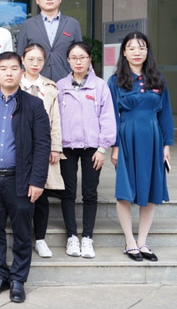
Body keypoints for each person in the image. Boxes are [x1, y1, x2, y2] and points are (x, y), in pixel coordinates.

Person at [0, 52, 50, 304]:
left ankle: (18, 279)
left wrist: (37, 181)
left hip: (20, 180)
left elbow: (42, 145)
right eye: (3, 68)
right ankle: (0, 276)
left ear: (22, 72)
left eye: (13, 68)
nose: (8, 73)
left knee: (22, 232)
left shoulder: (34, 105)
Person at [108, 32, 173, 262]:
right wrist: (115, 146)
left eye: (142, 47)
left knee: (151, 190)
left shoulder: (158, 80)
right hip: (127, 138)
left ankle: (143, 241)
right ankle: (130, 242)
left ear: (147, 52)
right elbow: (111, 116)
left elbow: (166, 115)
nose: (137, 52)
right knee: (125, 191)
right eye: (132, 48)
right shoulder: (115, 81)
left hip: (153, 139)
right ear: (124, 52)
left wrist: (166, 145)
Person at [57, 41, 116, 259]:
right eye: (74, 57)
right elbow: (54, 118)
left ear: (90, 59)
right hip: (67, 148)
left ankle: (87, 237)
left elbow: (108, 117)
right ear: (68, 60)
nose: (78, 61)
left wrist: (103, 148)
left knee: (90, 193)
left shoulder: (100, 86)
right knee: (68, 192)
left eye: (82, 57)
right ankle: (72, 236)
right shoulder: (60, 86)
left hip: (93, 148)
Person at [19, 43, 64, 258]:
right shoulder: (15, 83)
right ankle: (23, 237)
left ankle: (40, 239)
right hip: (19, 148)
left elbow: (55, 120)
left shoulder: (50, 87)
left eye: (39, 60)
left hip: (43, 147)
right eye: (31, 59)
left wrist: (55, 147)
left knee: (42, 195)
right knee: (21, 195)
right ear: (22, 60)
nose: (35, 64)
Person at [17, 0, 83, 82]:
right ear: (37, 0)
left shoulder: (72, 24)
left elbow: (80, 54)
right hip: (36, 81)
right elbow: (20, 55)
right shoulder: (27, 25)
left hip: (66, 80)